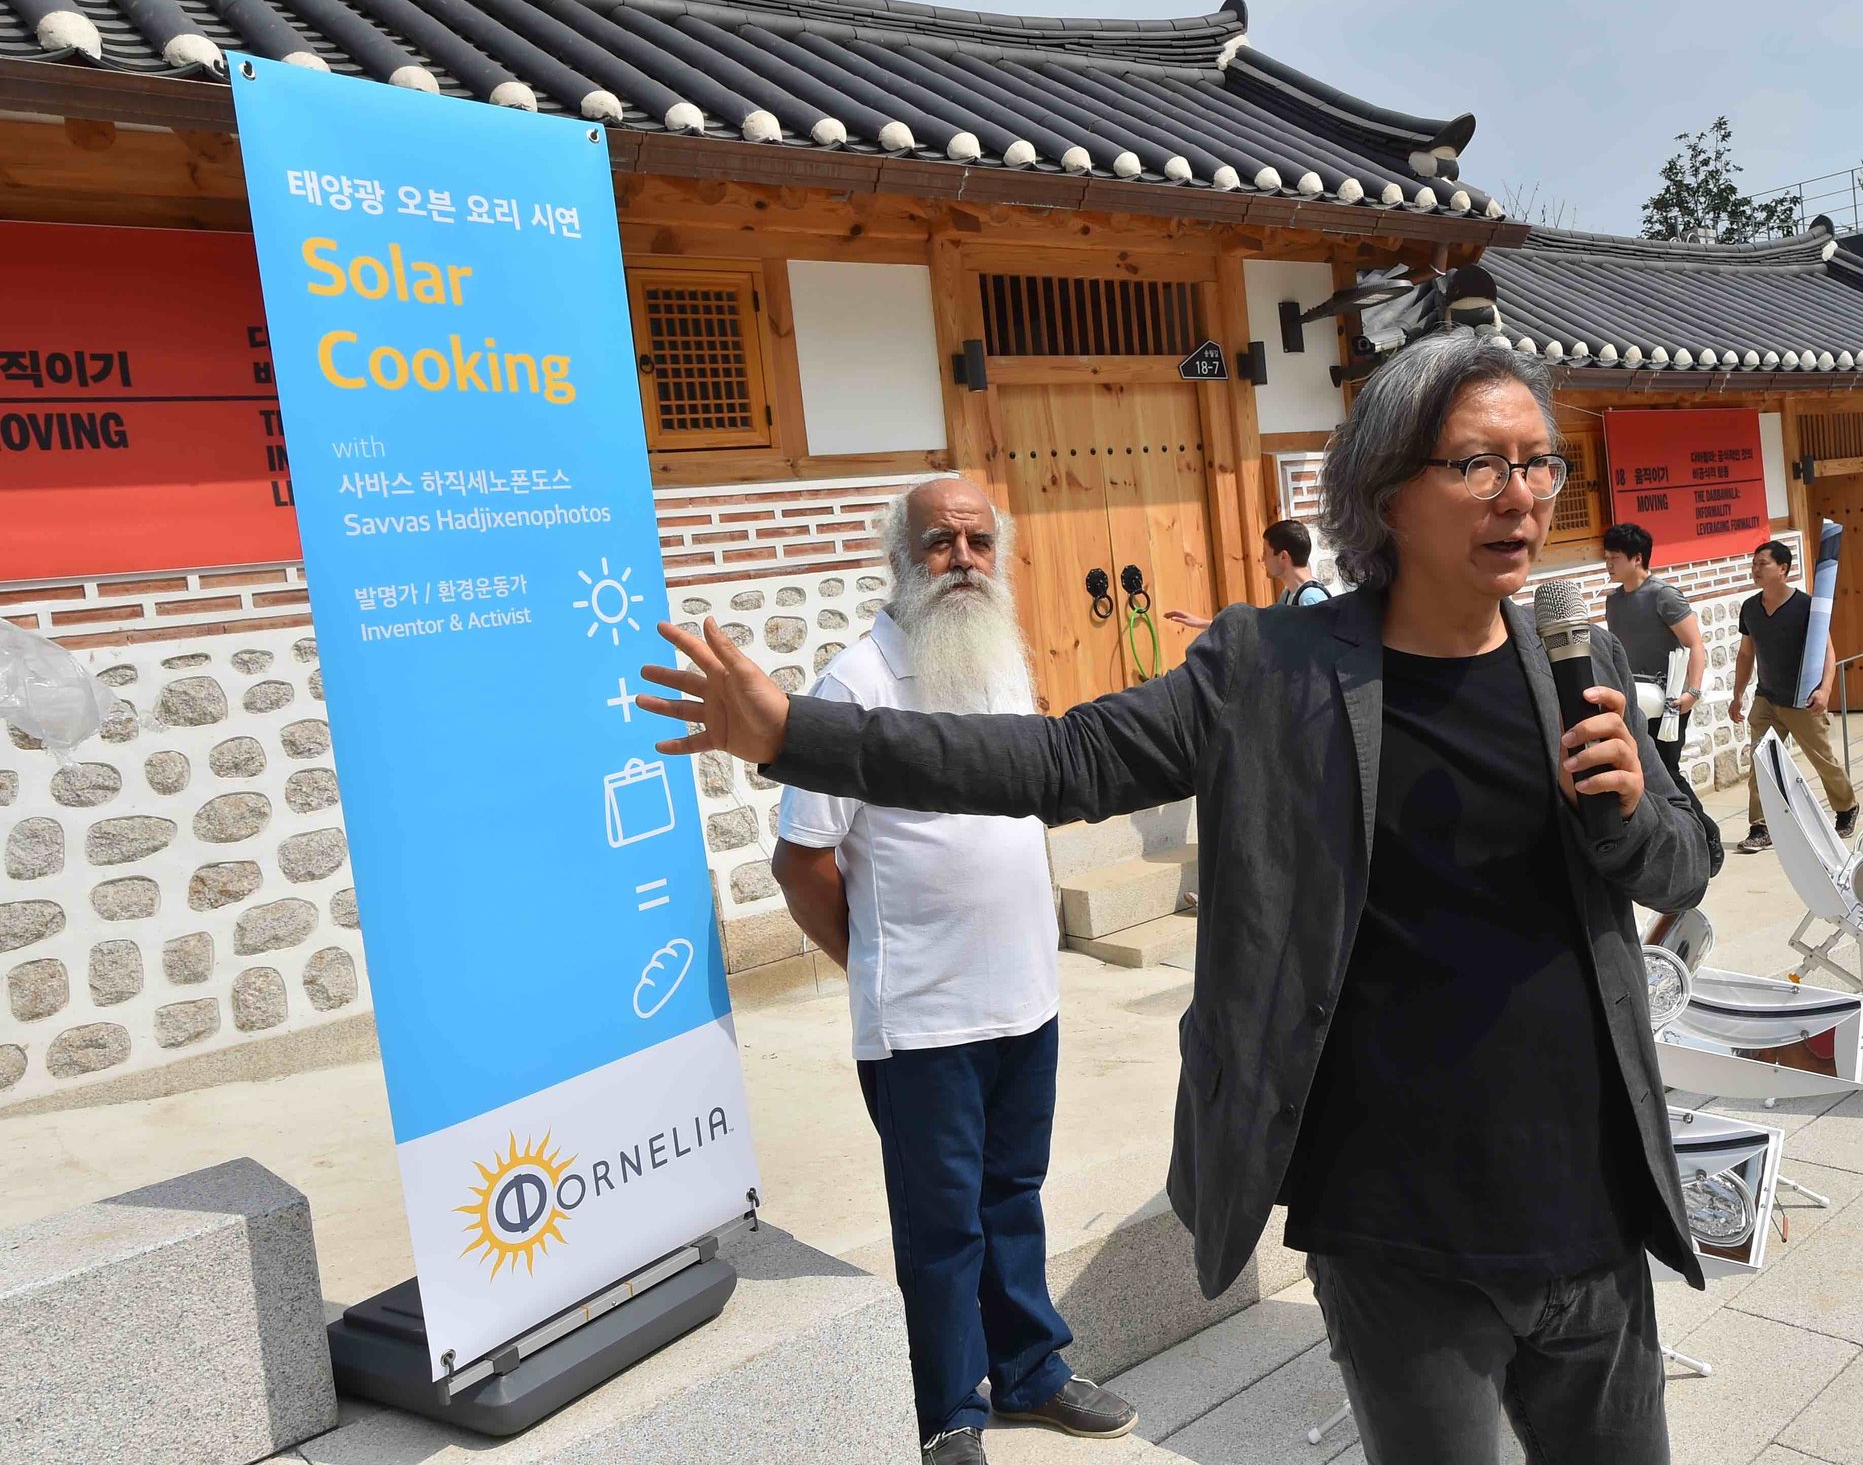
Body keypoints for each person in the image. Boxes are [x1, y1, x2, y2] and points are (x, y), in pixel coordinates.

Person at [643, 326, 1716, 1465]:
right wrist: (796, 734)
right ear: (1388, 490)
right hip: (1399, 1231)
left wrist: (1635, 811)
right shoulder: (1273, 670)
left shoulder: (1578, 659)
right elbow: (1059, 762)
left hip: (1592, 1210)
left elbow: (1685, 862)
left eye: (1540, 461)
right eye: (1480, 463)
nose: (1523, 493)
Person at [769, 477, 1137, 1464]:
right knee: (940, 1224)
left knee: (1013, 1192)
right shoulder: (852, 687)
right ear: (901, 555)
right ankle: (950, 1409)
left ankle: (1031, 1369)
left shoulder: (1001, 664)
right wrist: (873, 966)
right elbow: (801, 861)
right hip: (922, 1020)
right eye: (940, 542)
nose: (964, 559)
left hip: (1026, 997)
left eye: (979, 540)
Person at [1729, 538, 1858, 854]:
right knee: (1761, 763)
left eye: (1763, 563)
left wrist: (1825, 690)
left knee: (1822, 759)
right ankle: (1761, 827)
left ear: (1783, 569)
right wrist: (1737, 695)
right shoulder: (1750, 608)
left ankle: (1846, 806)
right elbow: (1746, 655)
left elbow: (1829, 653)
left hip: (1803, 699)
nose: (1755, 569)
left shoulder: (1806, 606)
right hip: (1767, 698)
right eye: (1754, 563)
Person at [1600, 522, 1707, 775]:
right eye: (1606, 558)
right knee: (1642, 771)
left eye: (1615, 558)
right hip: (1634, 698)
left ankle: (1694, 817)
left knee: (1667, 771)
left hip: (1668, 697)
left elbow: (1695, 645)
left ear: (1637, 558)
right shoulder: (1613, 601)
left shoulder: (1664, 595)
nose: (1609, 565)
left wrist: (1692, 692)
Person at [1163, 518, 1331, 631]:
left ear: (1283, 556)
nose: (1262, 558)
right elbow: (1261, 626)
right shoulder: (1289, 593)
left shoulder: (1310, 599)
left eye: (1266, 552)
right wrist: (1202, 623)